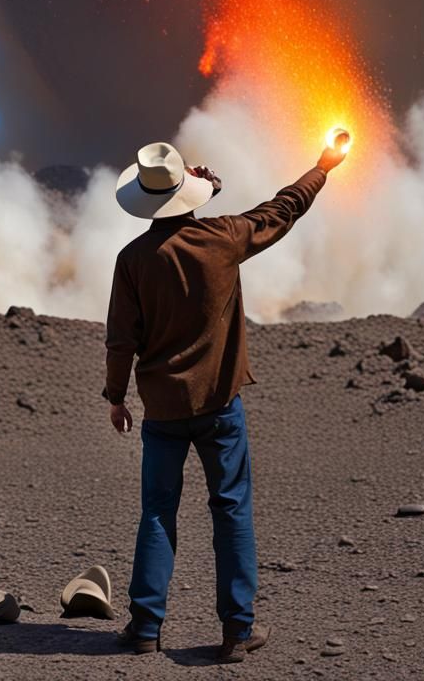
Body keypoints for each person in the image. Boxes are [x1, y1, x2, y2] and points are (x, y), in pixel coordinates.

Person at [103, 138, 347, 662]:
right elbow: (283, 208)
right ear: (190, 193)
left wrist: (116, 397)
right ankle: (237, 631)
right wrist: (322, 168)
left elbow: (121, 338)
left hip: (162, 411)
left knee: (157, 514)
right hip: (219, 405)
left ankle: (145, 627)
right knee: (231, 510)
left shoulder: (133, 260)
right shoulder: (225, 236)